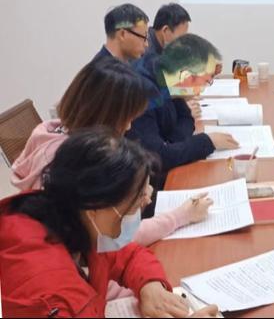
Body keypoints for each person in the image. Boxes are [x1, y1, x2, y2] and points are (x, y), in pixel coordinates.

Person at [0, 129, 218, 318]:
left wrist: (149, 286)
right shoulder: (47, 292)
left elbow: (128, 255)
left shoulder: (77, 223)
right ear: (95, 208)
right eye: (135, 204)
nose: (145, 205)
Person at [11, 56, 212, 245]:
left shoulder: (53, 130)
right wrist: (180, 217)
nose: (129, 127)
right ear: (106, 115)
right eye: (127, 118)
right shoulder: (74, 163)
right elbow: (113, 239)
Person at [130, 34, 239, 185]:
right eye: (206, 81)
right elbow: (158, 159)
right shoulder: (142, 93)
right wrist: (208, 141)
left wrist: (172, 144)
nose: (202, 90)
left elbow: (186, 118)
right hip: (141, 183)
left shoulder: (169, 76)